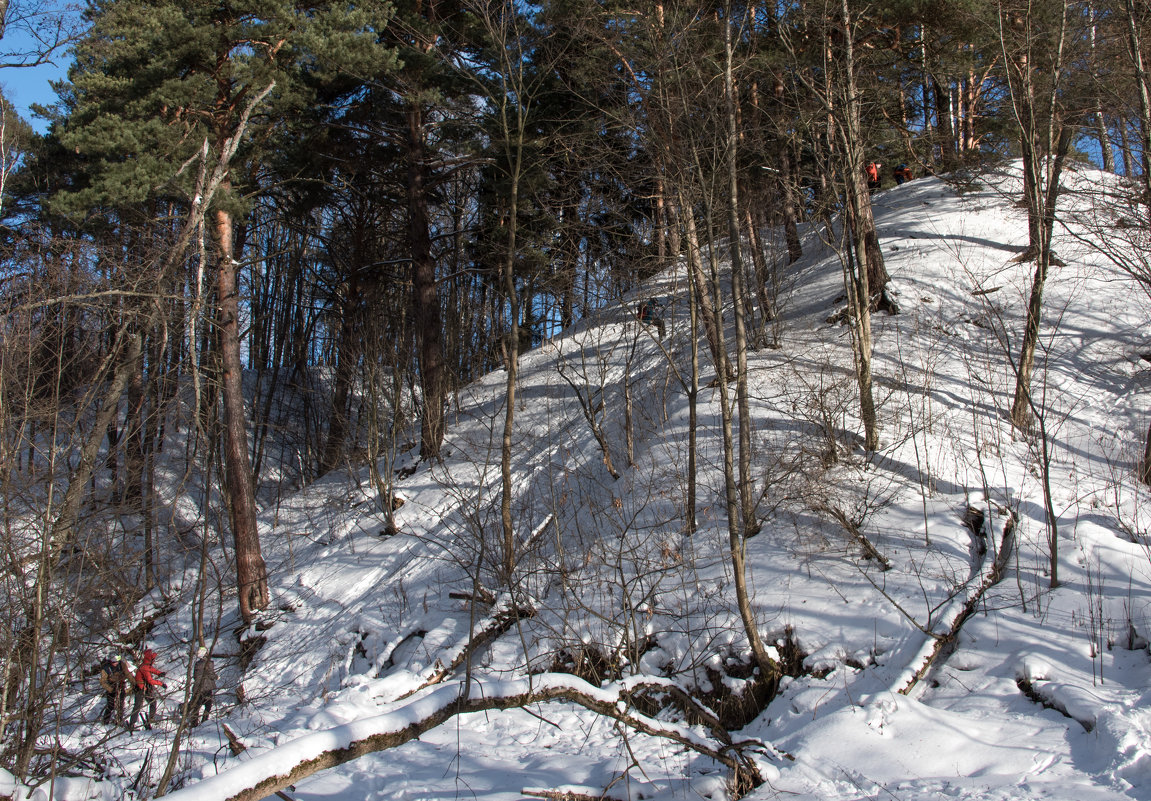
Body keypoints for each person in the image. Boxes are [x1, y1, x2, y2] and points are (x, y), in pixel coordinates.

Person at [128, 648, 166, 731]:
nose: (154, 661)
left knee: (152, 702)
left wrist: (159, 673)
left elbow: (151, 669)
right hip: (140, 689)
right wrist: (161, 684)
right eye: (153, 659)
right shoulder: (144, 667)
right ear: (150, 659)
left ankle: (149, 719)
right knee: (137, 706)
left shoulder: (145, 665)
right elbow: (150, 680)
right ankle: (132, 724)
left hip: (144, 689)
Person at [97, 652, 129, 725]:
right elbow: (103, 681)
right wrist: (110, 689)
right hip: (111, 687)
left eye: (117, 661)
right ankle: (105, 722)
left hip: (121, 686)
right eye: (114, 662)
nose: (116, 663)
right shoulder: (106, 668)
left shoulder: (121, 665)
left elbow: (128, 674)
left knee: (120, 705)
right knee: (110, 705)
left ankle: (119, 720)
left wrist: (134, 683)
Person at [189, 646, 217, 726]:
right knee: (208, 705)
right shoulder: (209, 663)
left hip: (197, 688)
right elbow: (211, 675)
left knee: (197, 706)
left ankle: (194, 723)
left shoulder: (197, 664)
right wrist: (216, 677)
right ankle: (204, 721)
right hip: (207, 688)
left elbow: (195, 676)